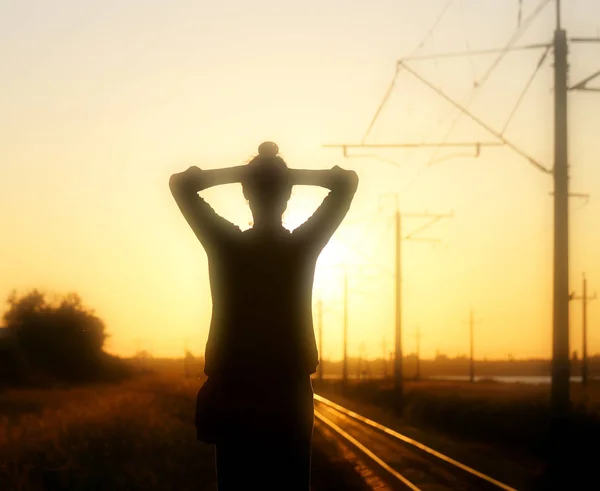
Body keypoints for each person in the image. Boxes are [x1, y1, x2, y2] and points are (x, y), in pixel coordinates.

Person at [169, 142, 358, 490]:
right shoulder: (301, 248)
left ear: (245, 193)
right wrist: (285, 175)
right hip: (288, 388)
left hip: (234, 386)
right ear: (287, 196)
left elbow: (180, 184)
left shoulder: (226, 245)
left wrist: (248, 174)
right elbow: (346, 182)